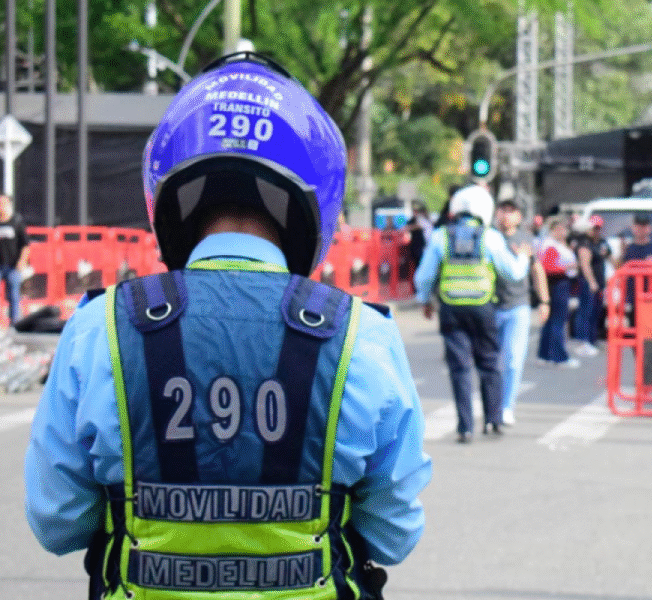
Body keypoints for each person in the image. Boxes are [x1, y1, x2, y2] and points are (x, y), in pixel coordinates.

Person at [24, 52, 431, 600]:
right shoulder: (363, 336)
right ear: (319, 196)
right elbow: (394, 534)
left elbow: (58, 522)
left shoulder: (100, 329)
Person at [414, 184, 530, 443]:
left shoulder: (440, 236)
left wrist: (425, 301)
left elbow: (424, 277)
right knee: (490, 364)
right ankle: (492, 420)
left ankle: (465, 427)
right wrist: (523, 258)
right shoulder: (490, 237)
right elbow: (512, 273)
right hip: (483, 308)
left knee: (460, 368)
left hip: (451, 310)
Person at [494, 198, 549, 426]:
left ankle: (507, 406)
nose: (507, 216)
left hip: (518, 306)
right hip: (491, 305)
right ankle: (493, 404)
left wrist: (544, 301)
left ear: (519, 216)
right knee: (491, 362)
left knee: (514, 361)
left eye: (512, 211)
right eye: (503, 211)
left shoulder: (525, 239)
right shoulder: (490, 238)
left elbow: (537, 270)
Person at [537, 215, 580, 368]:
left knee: (551, 321)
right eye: (562, 229)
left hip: (557, 284)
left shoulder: (554, 244)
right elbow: (548, 268)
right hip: (558, 284)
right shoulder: (551, 245)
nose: (565, 232)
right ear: (555, 230)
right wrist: (568, 268)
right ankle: (559, 356)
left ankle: (545, 354)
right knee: (558, 322)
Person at [619, 213, 652, 327]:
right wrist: (621, 253)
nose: (641, 229)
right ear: (633, 227)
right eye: (638, 226)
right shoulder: (629, 248)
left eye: (644, 226)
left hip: (651, 293)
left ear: (649, 228)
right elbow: (620, 268)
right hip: (633, 294)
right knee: (634, 325)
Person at [571, 215, 610, 356]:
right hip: (588, 282)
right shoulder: (584, 243)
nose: (596, 231)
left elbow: (611, 258)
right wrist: (591, 282)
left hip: (599, 283)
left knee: (596, 311)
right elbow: (585, 264)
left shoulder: (601, 242)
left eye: (598, 228)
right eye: (594, 228)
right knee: (585, 311)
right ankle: (583, 341)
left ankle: (592, 339)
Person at [0, 194, 29, 325]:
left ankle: (14, 322)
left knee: (13, 295)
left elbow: (25, 245)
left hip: (13, 266)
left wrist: (22, 261)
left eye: (3, 203)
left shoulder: (16, 221)